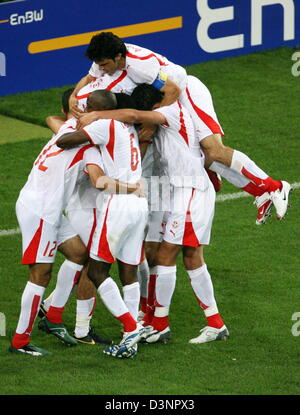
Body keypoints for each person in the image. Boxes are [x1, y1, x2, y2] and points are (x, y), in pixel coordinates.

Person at [74, 32, 291, 225]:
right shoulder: (106, 57)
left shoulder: (139, 66)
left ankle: (274, 187)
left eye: (104, 65)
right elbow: (88, 78)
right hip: (167, 99)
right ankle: (259, 192)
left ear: (118, 57)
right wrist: (75, 96)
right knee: (200, 156)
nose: (102, 69)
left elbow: (173, 89)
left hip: (186, 93)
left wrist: (152, 121)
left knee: (214, 150)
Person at [85, 84, 229, 344]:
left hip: (189, 189)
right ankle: (200, 322)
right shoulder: (158, 121)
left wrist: (96, 116)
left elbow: (137, 115)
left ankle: (160, 323)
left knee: (167, 255)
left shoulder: (168, 114)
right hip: (170, 189)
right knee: (176, 254)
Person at [57, 90, 149, 359]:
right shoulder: (126, 125)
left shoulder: (103, 125)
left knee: (97, 271)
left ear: (93, 108)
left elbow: (65, 141)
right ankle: (131, 336)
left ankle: (130, 329)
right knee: (129, 271)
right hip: (139, 204)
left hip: (118, 203)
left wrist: (79, 122)